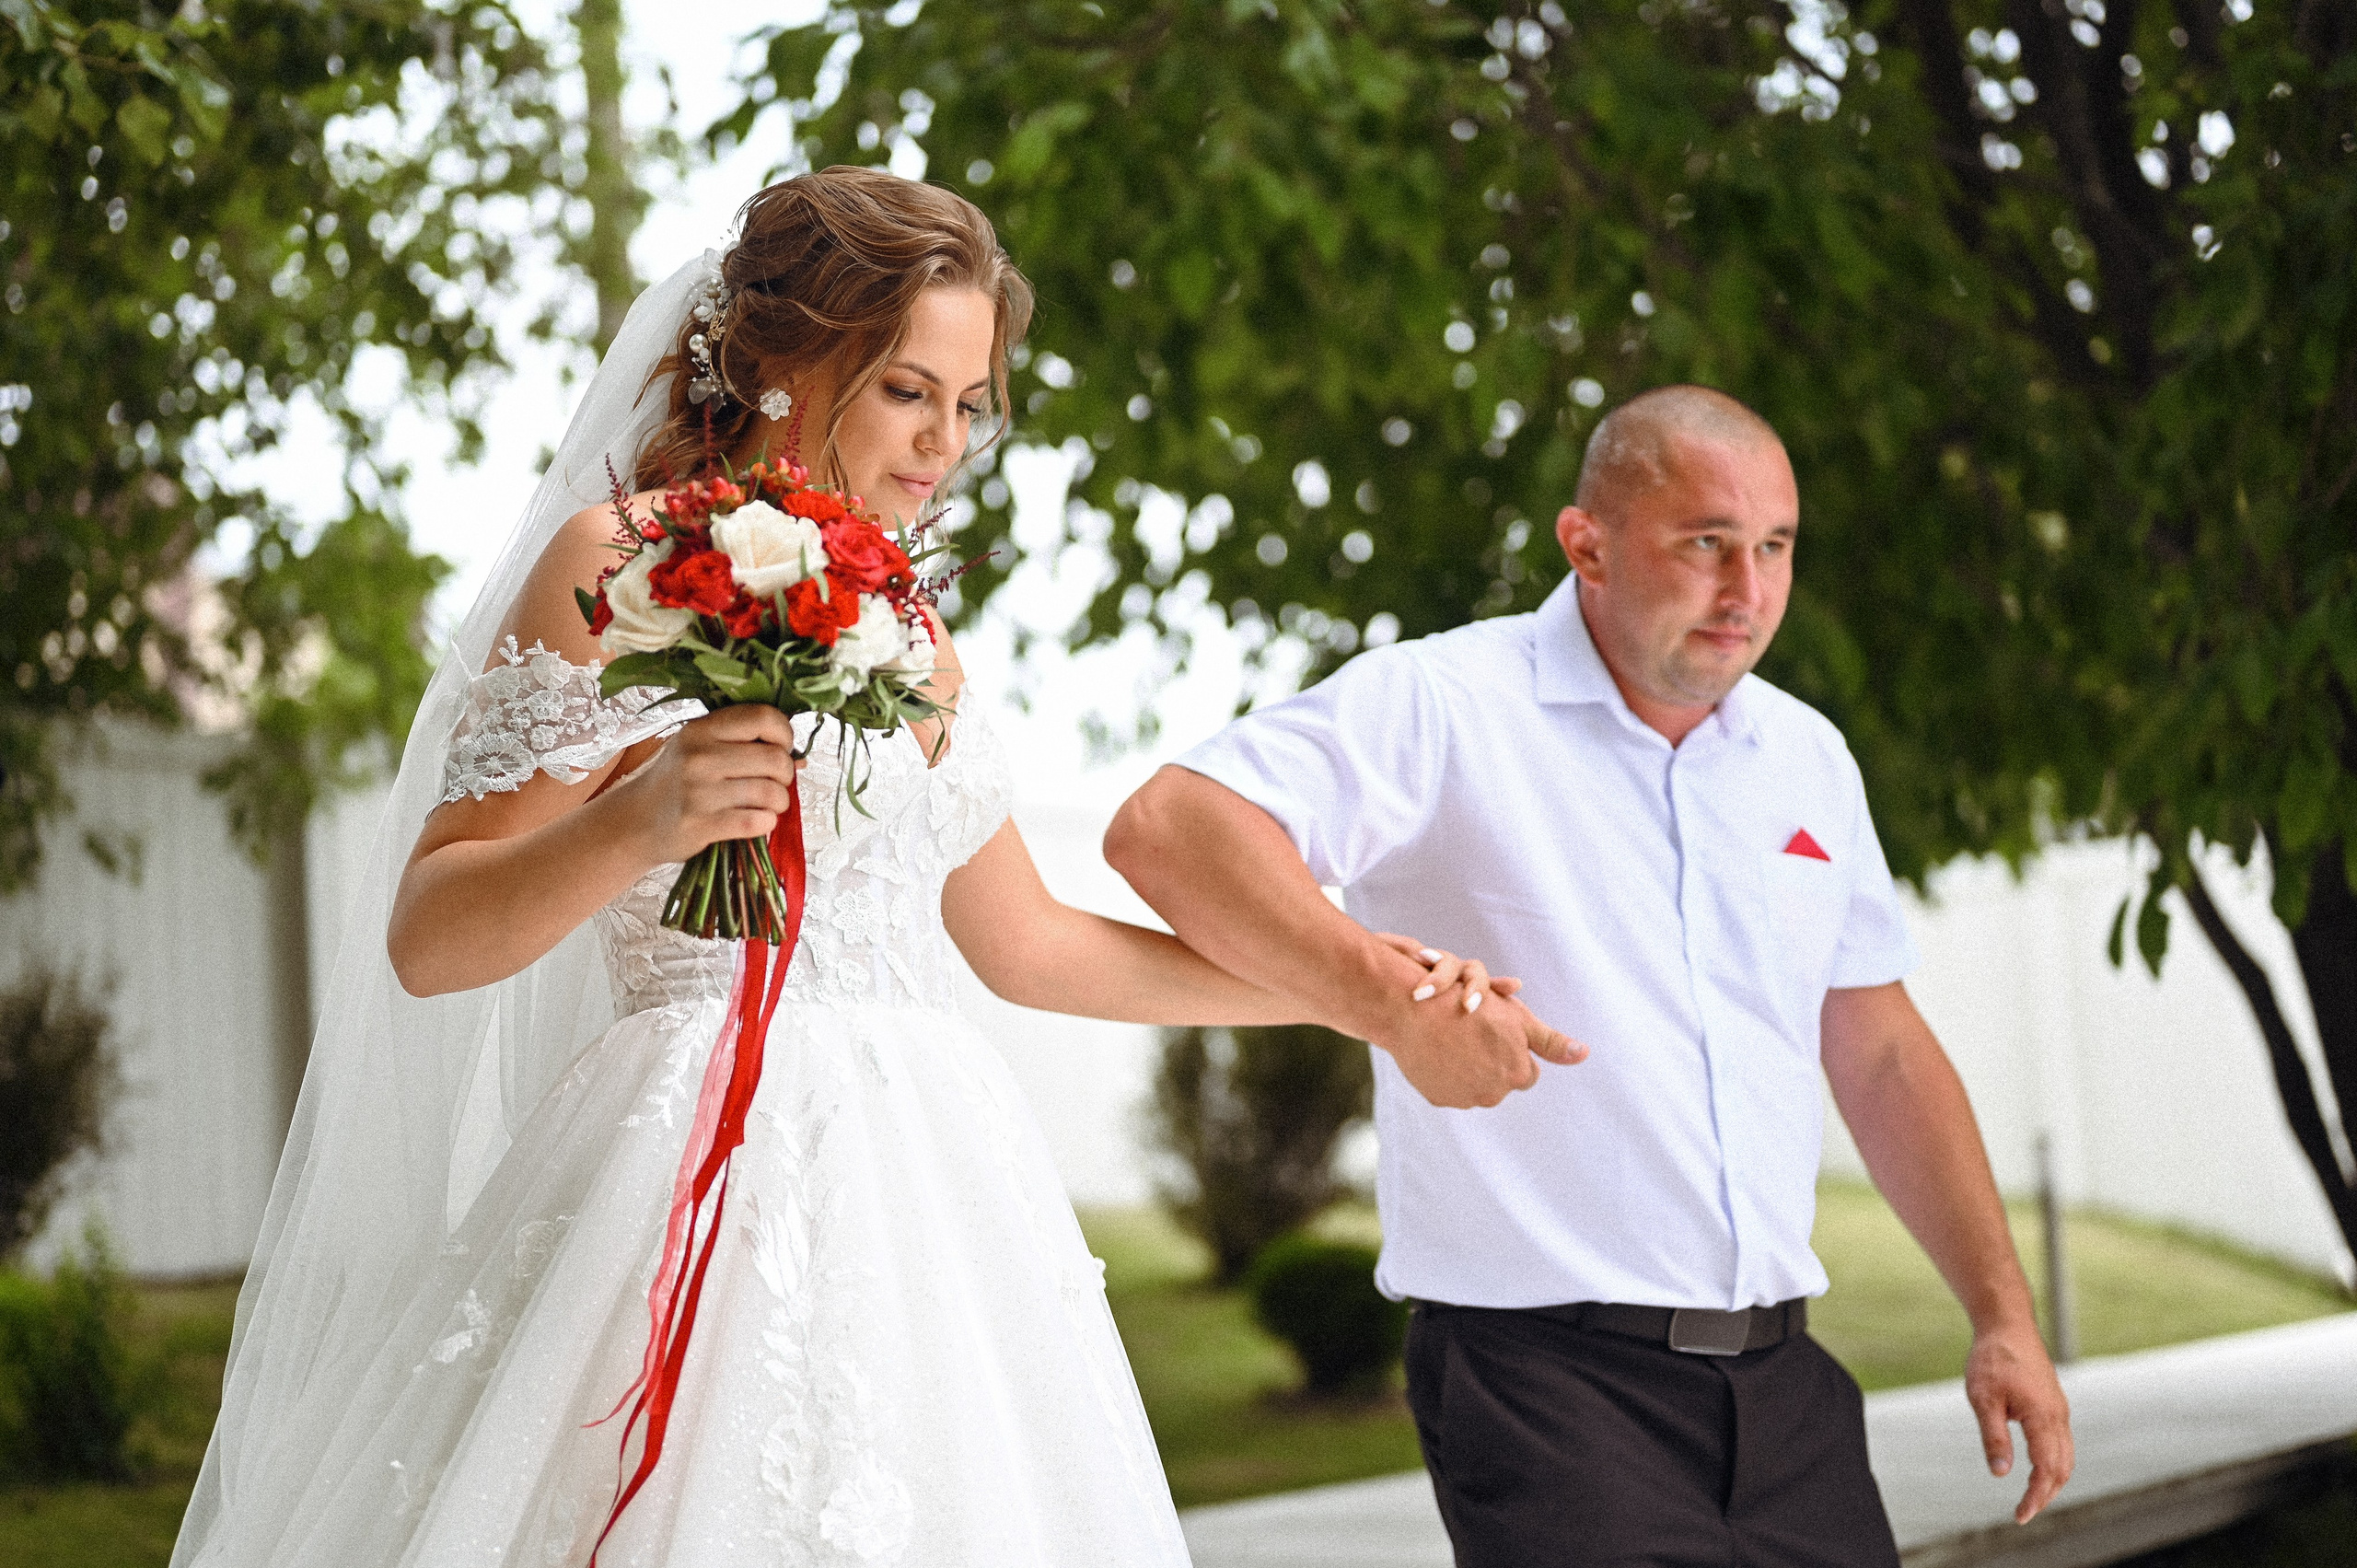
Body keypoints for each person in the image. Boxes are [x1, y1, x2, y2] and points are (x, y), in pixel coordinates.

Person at [170, 168, 1524, 1568]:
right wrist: (632, 825)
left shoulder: (911, 632)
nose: (945, 442)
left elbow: (1034, 945)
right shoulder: (617, 568)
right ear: (778, 363)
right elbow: (430, 933)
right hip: (675, 1168)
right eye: (904, 389)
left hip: (927, 1204)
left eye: (970, 400)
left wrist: (1364, 993)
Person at [1106, 386, 2076, 1567]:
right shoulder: (1444, 701)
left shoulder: (1807, 757)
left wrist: (2002, 1316)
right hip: (1545, 1383)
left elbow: (1877, 1049)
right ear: (1588, 545)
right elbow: (1170, 827)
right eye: (1705, 542)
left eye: (1773, 546)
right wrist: (1391, 1006)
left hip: (1787, 1390)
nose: (1748, 590)